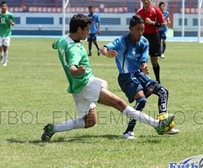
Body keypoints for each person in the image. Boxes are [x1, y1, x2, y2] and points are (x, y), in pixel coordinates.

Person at [41, 13, 175, 142]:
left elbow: (55, 44)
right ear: (79, 29)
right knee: (119, 103)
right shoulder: (74, 49)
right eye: (87, 29)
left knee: (90, 121)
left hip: (76, 88)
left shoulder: (63, 40)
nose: (89, 32)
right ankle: (157, 125)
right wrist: (77, 71)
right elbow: (72, 68)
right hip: (86, 84)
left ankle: (53, 128)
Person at [101, 15, 179, 140]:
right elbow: (104, 48)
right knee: (141, 101)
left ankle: (164, 124)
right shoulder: (122, 41)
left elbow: (143, 60)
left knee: (163, 92)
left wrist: (144, 66)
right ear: (130, 28)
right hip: (126, 77)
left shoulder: (144, 42)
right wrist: (107, 53)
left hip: (139, 74)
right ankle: (128, 131)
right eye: (138, 29)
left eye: (142, 30)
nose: (140, 33)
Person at [136, 0, 166, 83]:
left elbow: (163, 24)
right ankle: (143, 81)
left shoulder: (156, 10)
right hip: (143, 38)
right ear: (141, 0)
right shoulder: (139, 12)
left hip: (154, 37)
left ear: (151, 0)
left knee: (154, 61)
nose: (146, 1)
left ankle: (158, 81)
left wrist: (153, 23)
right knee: (141, 61)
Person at [0, 1, 15, 67]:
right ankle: (1, 55)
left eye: (5, 6)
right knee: (0, 47)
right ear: (0, 7)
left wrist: (11, 23)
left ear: (6, 6)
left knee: (5, 48)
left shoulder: (10, 14)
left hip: (7, 33)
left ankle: (5, 61)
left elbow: (13, 23)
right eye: (2, 6)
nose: (4, 7)